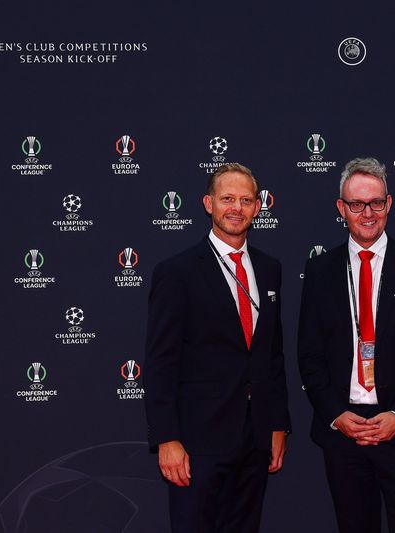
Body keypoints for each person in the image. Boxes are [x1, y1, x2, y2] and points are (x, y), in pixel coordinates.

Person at [298, 157, 395, 533]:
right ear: (341, 208)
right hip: (344, 432)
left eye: (376, 203)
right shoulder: (319, 271)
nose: (367, 213)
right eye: (357, 204)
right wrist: (335, 414)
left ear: (389, 203)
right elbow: (309, 354)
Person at [144, 163, 291, 533]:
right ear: (208, 204)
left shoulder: (270, 269)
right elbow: (161, 363)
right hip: (198, 441)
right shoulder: (177, 272)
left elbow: (272, 355)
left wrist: (278, 425)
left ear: (258, 207)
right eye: (227, 199)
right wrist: (167, 438)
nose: (236, 208)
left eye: (246, 200)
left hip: (255, 439)